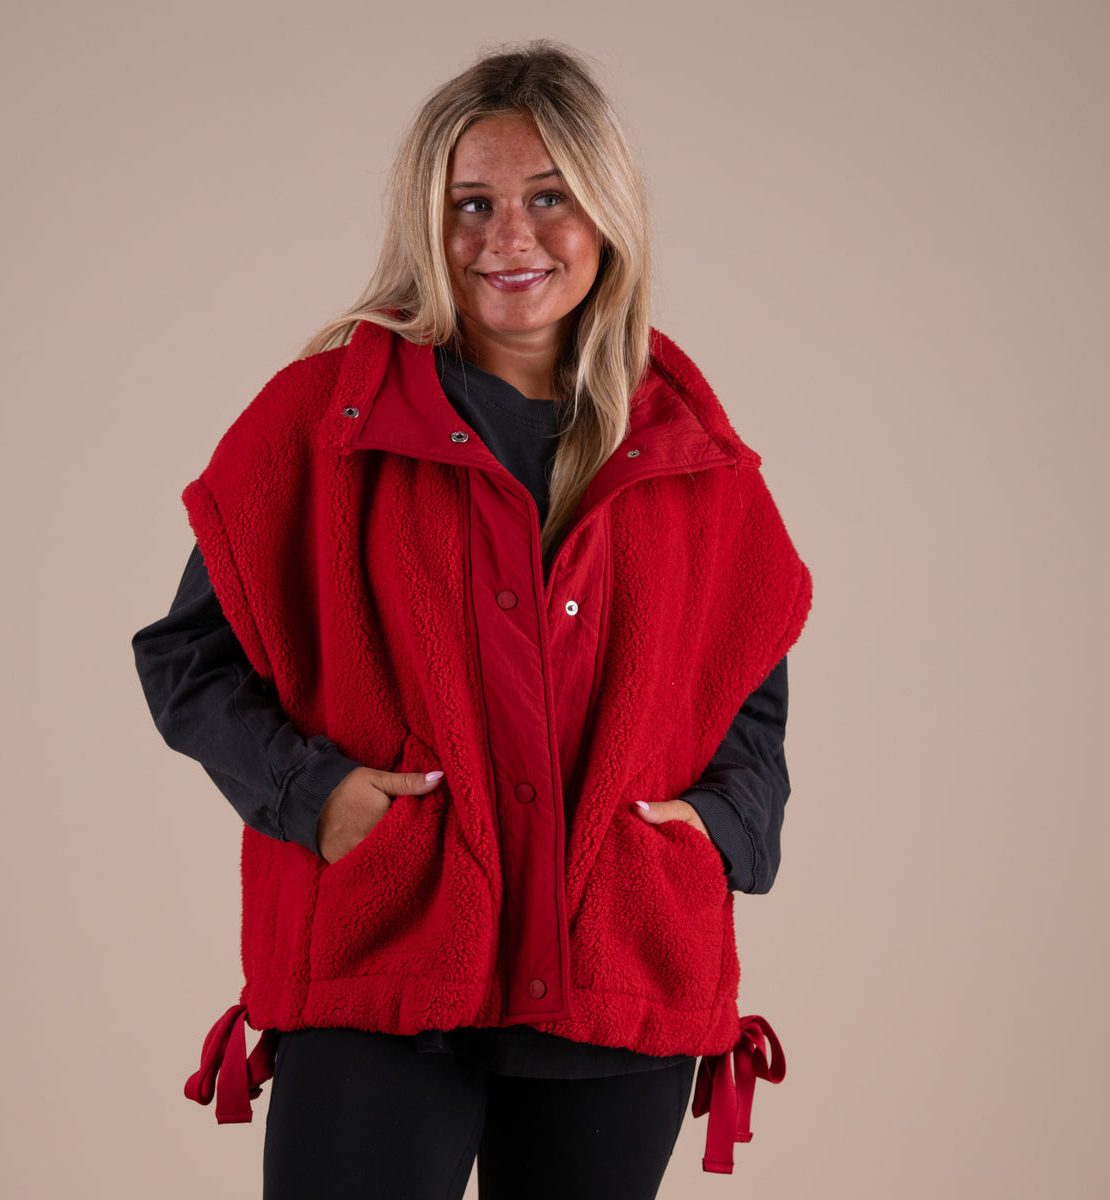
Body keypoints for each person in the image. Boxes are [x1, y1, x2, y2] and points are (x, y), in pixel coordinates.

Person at [133, 41, 810, 1200]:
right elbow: (190, 653)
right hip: (388, 958)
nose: (510, 239)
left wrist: (716, 828)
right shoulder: (328, 418)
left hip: (614, 969)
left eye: (549, 199)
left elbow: (745, 677)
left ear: (605, 215)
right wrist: (315, 798)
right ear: (427, 222)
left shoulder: (688, 442)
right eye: (472, 205)